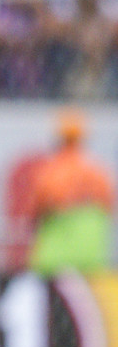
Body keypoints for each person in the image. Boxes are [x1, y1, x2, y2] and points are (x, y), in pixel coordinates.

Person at [26, 111, 113, 277]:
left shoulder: (50, 174)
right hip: (91, 259)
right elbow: (108, 210)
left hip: (54, 261)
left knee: (54, 303)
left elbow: (35, 213)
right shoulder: (99, 173)